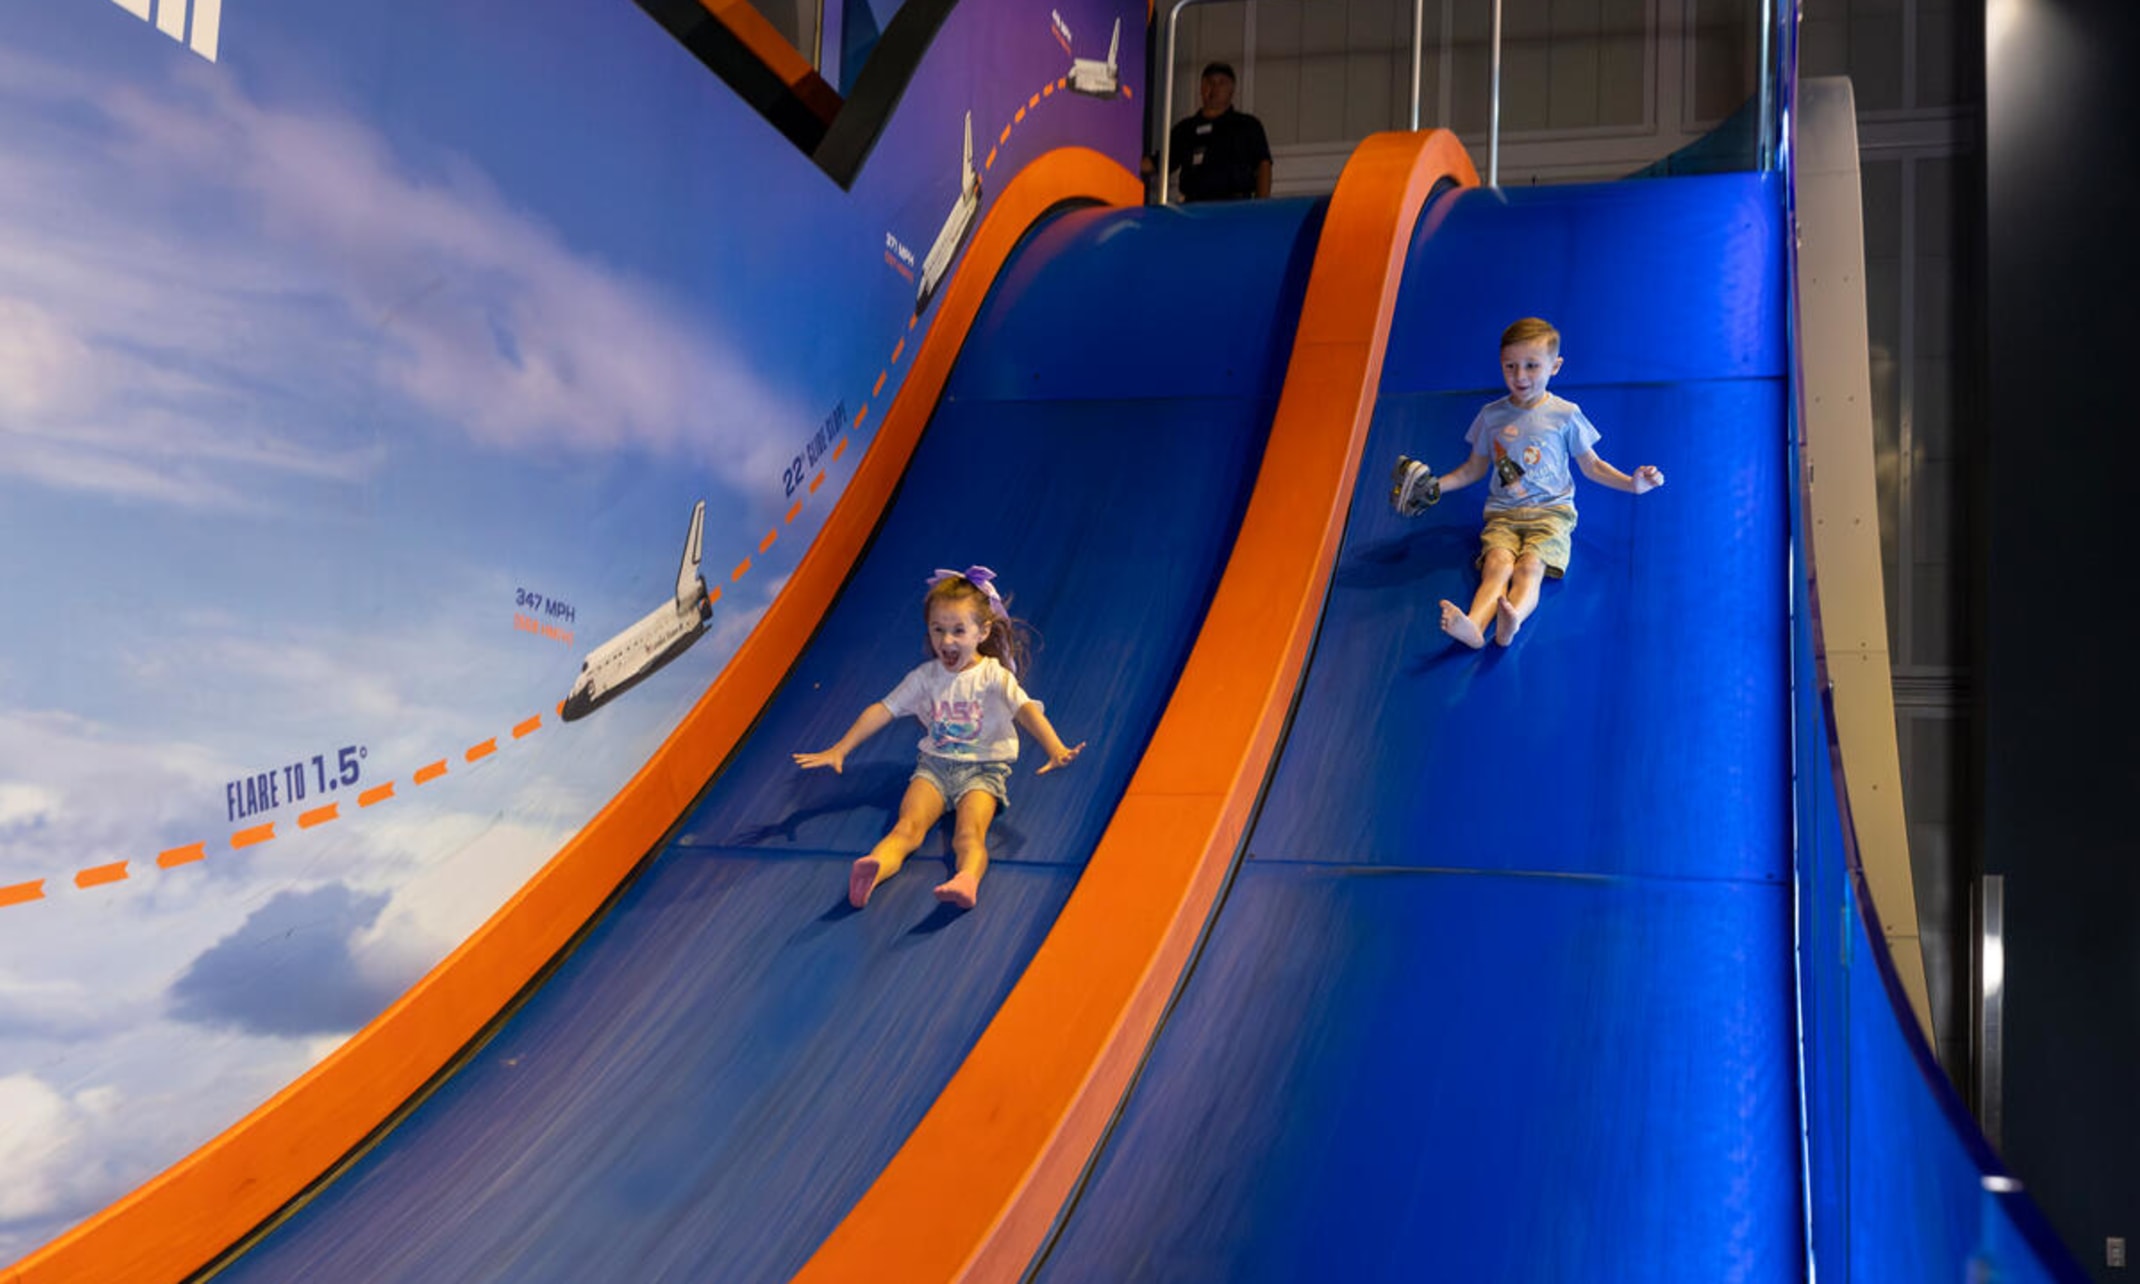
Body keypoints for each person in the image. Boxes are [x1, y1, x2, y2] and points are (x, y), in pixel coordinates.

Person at [793, 566, 1083, 910]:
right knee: (907, 828)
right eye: (938, 630)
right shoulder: (924, 678)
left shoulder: (994, 676)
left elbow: (1026, 712)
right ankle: (875, 866)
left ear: (982, 631)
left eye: (958, 630)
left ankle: (966, 880)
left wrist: (1055, 747)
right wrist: (840, 748)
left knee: (968, 835)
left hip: (983, 771)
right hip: (934, 766)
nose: (946, 641)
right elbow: (881, 710)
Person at [1389, 317, 1666, 649]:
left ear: (1555, 366)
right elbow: (1472, 469)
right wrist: (1437, 486)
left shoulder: (1565, 414)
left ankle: (1513, 619)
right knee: (1497, 565)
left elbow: (1593, 466)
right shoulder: (1491, 416)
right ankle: (1475, 627)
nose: (1520, 376)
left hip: (1552, 514)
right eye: (1510, 366)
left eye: (1532, 366)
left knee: (1530, 568)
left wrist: (1631, 484)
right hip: (1503, 514)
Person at [1148, 61, 1271, 202]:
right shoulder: (1186, 129)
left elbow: (1264, 165)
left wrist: (1261, 207)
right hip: (1194, 210)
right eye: (1209, 82)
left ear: (1232, 89)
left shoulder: (1247, 125)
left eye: (1221, 83)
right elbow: (1158, 163)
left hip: (1235, 209)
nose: (1214, 88)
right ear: (1201, 87)